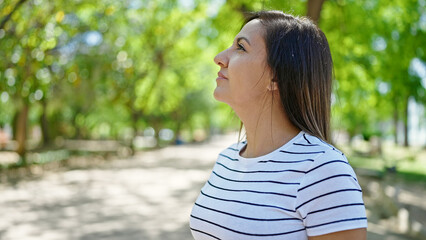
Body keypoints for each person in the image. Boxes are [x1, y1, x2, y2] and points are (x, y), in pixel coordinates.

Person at [189, 10, 367, 240]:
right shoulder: (226, 160)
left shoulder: (323, 170)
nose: (219, 57)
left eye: (241, 47)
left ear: (277, 78)